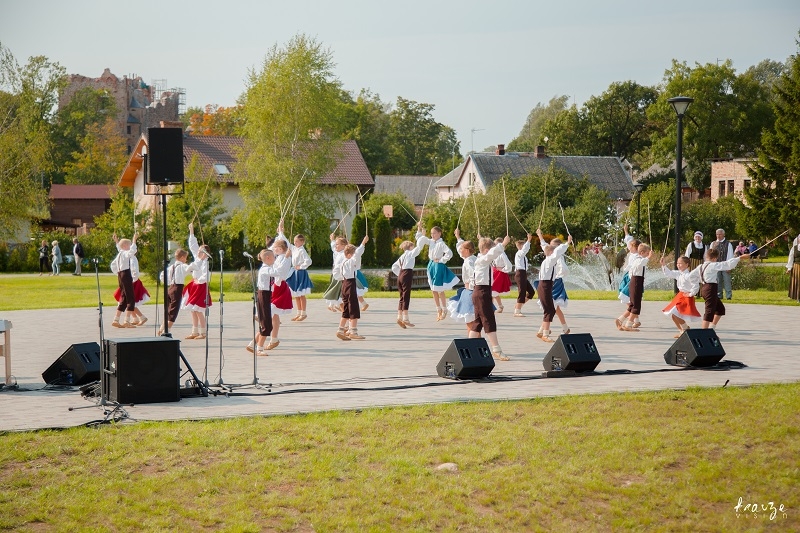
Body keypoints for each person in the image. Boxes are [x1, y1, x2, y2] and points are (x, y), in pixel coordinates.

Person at [469, 235, 512, 360]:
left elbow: (489, 252)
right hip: (482, 292)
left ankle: (470, 348)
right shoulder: (482, 260)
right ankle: (496, 349)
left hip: (480, 291)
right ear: (487, 251)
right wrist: (503, 244)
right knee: (488, 320)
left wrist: (481, 239)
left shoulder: (481, 259)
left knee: (477, 322)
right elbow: (491, 254)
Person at [416, 224, 459, 321]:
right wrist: (420, 229)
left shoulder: (441, 244)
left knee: (439, 289)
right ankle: (438, 309)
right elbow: (421, 240)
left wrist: (441, 260)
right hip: (431, 265)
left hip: (438, 266)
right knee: (433, 289)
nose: (432, 235)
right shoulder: (431, 241)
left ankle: (444, 309)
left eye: (434, 233)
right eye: (431, 233)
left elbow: (449, 253)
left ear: (439, 233)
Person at [698, 248, 749, 329]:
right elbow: (727, 264)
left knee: (720, 309)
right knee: (709, 311)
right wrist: (740, 258)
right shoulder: (712, 265)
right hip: (710, 289)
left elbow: (691, 277)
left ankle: (711, 329)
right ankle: (703, 333)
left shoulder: (700, 266)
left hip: (705, 288)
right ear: (714, 258)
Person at [536, 235, 572, 342]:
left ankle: (543, 331)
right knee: (550, 309)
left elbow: (546, 247)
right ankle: (545, 333)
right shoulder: (551, 260)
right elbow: (555, 252)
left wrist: (540, 235)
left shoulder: (549, 259)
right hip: (548, 285)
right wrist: (568, 242)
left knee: (551, 308)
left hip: (548, 284)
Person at [334, 235, 369, 341]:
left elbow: (337, 274)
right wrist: (363, 243)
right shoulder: (349, 262)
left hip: (344, 284)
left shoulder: (343, 263)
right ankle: (353, 330)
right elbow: (357, 254)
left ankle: (340, 330)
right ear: (349, 254)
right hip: (350, 284)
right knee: (353, 307)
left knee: (346, 309)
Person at [276, 224, 313, 322]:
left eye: (297, 241)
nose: (295, 243)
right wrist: (281, 231)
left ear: (302, 242)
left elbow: (309, 261)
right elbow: (286, 242)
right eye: (295, 241)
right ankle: (298, 312)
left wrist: (300, 267)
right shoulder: (294, 248)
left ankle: (303, 313)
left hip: (300, 273)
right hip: (295, 273)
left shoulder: (302, 250)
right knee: (296, 294)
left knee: (301, 294)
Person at [182, 223, 212, 340]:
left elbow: (206, 276)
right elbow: (193, 245)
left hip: (200, 286)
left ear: (205, 253)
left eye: (200, 251)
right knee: (192, 310)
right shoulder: (198, 257)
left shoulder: (205, 262)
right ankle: (194, 331)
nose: (198, 252)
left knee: (198, 310)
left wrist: (199, 280)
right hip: (194, 285)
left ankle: (203, 333)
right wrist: (191, 231)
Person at [248, 249, 280, 355]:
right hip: (263, 295)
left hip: (266, 295)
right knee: (267, 324)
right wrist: (284, 259)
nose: (275, 259)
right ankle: (259, 349)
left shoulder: (267, 268)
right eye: (274, 257)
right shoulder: (266, 269)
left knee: (265, 323)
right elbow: (276, 272)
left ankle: (253, 344)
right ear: (268, 258)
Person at [660, 256, 702, 337]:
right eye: (677, 263)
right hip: (680, 295)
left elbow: (696, 286)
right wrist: (663, 265)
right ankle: (681, 331)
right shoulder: (678, 273)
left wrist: (690, 294)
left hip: (686, 297)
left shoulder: (689, 275)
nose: (678, 265)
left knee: (675, 313)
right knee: (673, 315)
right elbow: (669, 273)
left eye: (680, 263)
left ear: (687, 265)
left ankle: (685, 329)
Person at [265, 238, 294, 350]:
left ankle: (273, 338)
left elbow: (279, 271)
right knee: (274, 314)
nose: (275, 249)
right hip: (275, 286)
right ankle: (274, 338)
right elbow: (271, 249)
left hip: (279, 286)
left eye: (278, 248)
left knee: (273, 311)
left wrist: (287, 256)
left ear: (283, 249)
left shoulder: (285, 258)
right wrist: (280, 232)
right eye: (275, 247)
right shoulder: (278, 257)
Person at [616, 243, 651, 332]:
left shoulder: (640, 259)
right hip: (636, 282)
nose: (648, 255)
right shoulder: (638, 259)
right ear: (642, 252)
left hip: (636, 281)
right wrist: (648, 257)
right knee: (636, 305)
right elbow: (641, 264)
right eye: (647, 253)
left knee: (632, 304)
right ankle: (629, 324)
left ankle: (620, 320)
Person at [447, 231, 477, 330]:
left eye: (462, 249)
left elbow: (474, 274)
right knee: (472, 321)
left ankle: (472, 341)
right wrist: (458, 237)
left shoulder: (469, 261)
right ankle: (474, 340)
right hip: (471, 290)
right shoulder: (472, 258)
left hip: (470, 291)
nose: (460, 251)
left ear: (467, 250)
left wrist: (470, 287)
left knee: (470, 321)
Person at [391, 238, 423, 328]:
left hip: (400, 273)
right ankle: (405, 318)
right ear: (410, 247)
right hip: (407, 273)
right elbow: (418, 249)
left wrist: (400, 274)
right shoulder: (410, 253)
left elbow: (394, 267)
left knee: (401, 296)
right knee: (406, 295)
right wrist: (422, 236)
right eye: (412, 246)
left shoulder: (402, 256)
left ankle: (399, 316)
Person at [158, 248, 190, 335]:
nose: (186, 260)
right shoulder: (183, 265)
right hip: (177, 288)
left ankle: (162, 327)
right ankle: (166, 330)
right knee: (174, 311)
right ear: (183, 257)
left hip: (170, 287)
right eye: (186, 257)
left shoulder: (171, 266)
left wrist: (168, 282)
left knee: (168, 309)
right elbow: (189, 269)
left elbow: (162, 275)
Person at [110, 233, 138, 328]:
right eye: (129, 245)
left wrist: (116, 241)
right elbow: (132, 252)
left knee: (124, 297)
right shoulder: (125, 253)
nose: (130, 247)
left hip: (120, 275)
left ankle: (116, 319)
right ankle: (127, 320)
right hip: (125, 274)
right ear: (125, 246)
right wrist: (134, 239)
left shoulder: (120, 253)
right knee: (130, 298)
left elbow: (119, 247)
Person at [113, 254, 150, 326]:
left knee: (129, 300)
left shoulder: (131, 257)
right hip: (128, 279)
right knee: (128, 300)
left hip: (132, 281)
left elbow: (134, 269)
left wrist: (133, 279)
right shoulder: (123, 256)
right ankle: (137, 318)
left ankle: (138, 318)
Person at [323, 234, 348, 312]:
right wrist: (332, 240)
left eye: (337, 244)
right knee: (340, 301)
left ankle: (347, 318)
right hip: (338, 278)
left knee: (342, 300)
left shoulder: (344, 255)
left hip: (342, 279)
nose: (335, 246)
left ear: (343, 245)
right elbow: (333, 248)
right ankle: (346, 318)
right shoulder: (338, 253)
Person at [512, 234, 534, 317]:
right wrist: (529, 240)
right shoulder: (519, 254)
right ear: (520, 246)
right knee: (522, 292)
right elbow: (525, 250)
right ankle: (517, 311)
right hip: (520, 273)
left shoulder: (523, 256)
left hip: (523, 273)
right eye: (524, 245)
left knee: (531, 291)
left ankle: (519, 305)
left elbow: (525, 250)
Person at [710, 228, 734, 300]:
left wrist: (729, 266)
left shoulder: (728, 244)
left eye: (720, 234)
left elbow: (730, 255)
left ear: (723, 234)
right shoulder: (713, 243)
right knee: (718, 281)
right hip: (716, 265)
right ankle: (719, 295)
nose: (718, 236)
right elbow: (710, 255)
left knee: (727, 281)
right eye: (717, 234)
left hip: (725, 265)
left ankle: (728, 296)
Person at [786, 233, 800, 303]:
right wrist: (789, 268)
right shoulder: (794, 248)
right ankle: (798, 298)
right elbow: (791, 258)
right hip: (797, 267)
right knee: (798, 282)